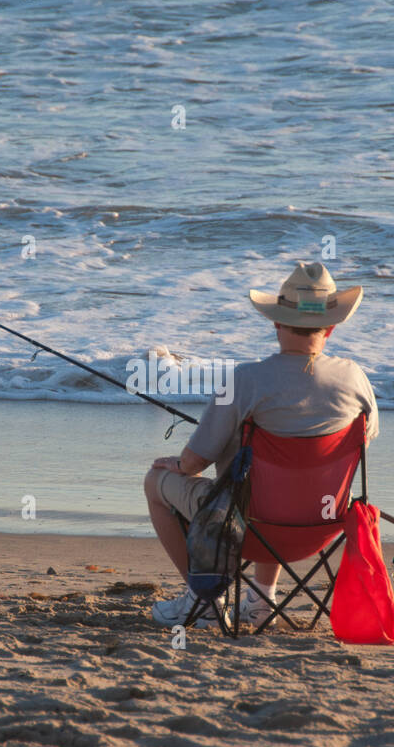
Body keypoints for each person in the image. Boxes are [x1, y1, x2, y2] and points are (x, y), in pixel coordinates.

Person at [144, 262, 380, 630]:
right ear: (331, 327)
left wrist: (175, 464)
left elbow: (194, 463)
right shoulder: (354, 377)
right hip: (322, 526)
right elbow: (366, 437)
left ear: (276, 322)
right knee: (277, 481)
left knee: (155, 482)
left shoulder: (246, 380)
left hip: (245, 529)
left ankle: (202, 599)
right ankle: (260, 599)